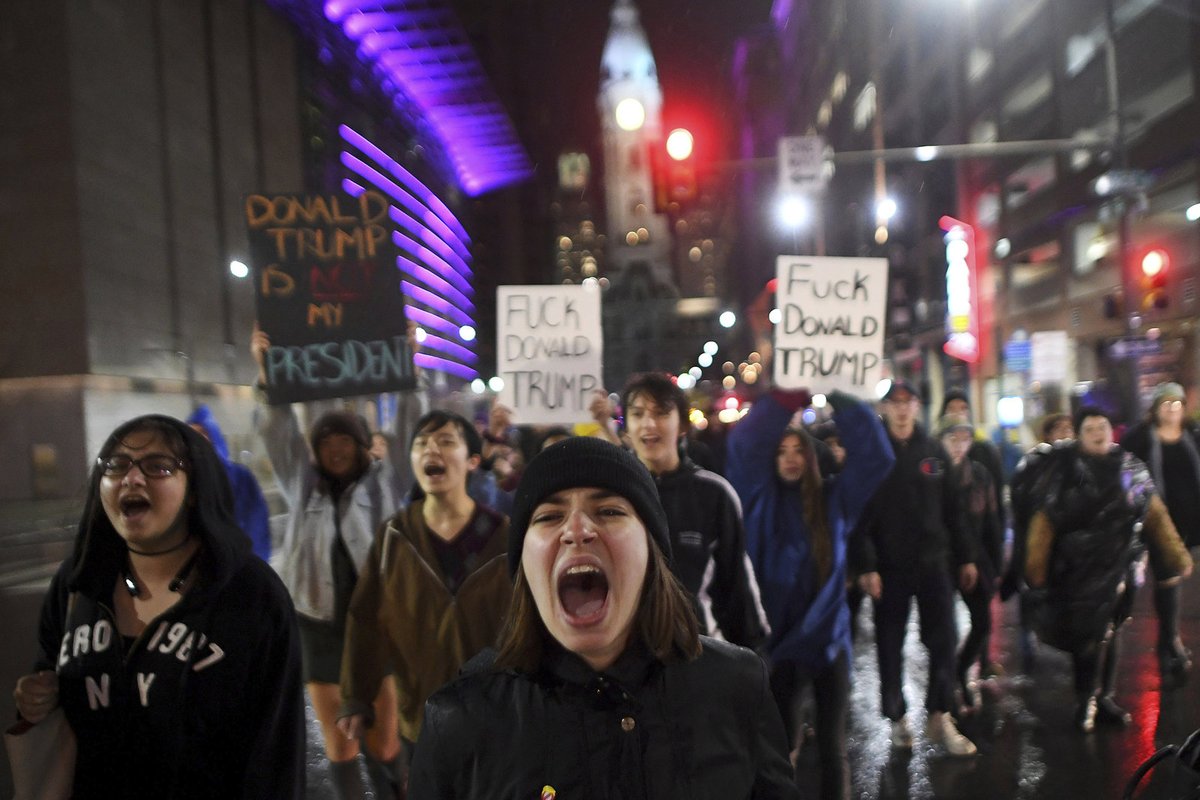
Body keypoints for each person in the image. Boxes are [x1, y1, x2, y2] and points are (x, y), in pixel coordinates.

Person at [406, 437, 801, 799]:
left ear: (652, 554)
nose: (576, 530)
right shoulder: (460, 719)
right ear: (523, 563)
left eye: (609, 511)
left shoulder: (737, 687)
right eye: (548, 517)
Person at [13, 415, 304, 798]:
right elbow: (50, 667)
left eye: (157, 466)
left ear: (196, 488)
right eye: (116, 466)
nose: (131, 479)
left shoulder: (251, 595)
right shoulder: (79, 582)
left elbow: (277, 751)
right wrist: (36, 697)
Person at [252, 324, 425, 800]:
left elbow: (411, 425)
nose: (335, 447)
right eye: (326, 440)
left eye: (345, 438)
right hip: (319, 626)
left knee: (385, 740)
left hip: (379, 626)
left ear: (361, 443)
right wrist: (268, 375)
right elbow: (277, 429)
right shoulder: (302, 486)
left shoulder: (386, 482)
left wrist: (407, 362)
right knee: (340, 744)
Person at [726, 388, 893, 798]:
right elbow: (743, 443)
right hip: (776, 646)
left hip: (827, 644)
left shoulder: (835, 501)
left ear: (812, 457)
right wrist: (786, 398)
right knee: (780, 753)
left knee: (834, 751)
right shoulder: (756, 498)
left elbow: (877, 456)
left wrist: (840, 392)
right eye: (781, 449)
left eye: (798, 449)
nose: (789, 457)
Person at [338, 410, 511, 792]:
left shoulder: (504, 537)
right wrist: (356, 697)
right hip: (421, 716)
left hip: (497, 718)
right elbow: (365, 618)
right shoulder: (395, 536)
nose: (432, 450)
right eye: (421, 444)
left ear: (472, 460)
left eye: (446, 441)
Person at [1024, 406, 1193, 731]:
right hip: (1078, 571)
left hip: (1122, 570)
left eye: (1102, 426)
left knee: (1112, 631)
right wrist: (1037, 570)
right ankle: (1086, 698)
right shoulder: (1064, 472)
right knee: (1087, 636)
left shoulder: (1130, 467)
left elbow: (1155, 514)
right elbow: (1043, 522)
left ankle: (1104, 698)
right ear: (1080, 435)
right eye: (1090, 429)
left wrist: (1176, 557)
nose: (1098, 433)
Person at [852, 380, 978, 756]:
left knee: (943, 640)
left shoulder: (934, 451)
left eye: (909, 402)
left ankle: (940, 714)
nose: (903, 409)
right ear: (886, 408)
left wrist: (967, 556)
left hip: (933, 563)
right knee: (889, 643)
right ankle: (897, 716)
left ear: (919, 407)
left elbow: (955, 511)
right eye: (895, 403)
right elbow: (860, 517)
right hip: (889, 567)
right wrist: (867, 565)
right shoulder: (873, 455)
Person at [619, 372, 769, 648]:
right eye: (637, 414)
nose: (648, 424)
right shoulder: (610, 493)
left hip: (697, 656)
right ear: (626, 428)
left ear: (683, 425)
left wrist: (753, 657)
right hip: (623, 658)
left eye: (661, 412)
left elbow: (736, 585)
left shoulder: (714, 494)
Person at [1121, 381, 1200, 680]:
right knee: (1168, 579)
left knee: (1174, 578)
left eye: (1176, 404)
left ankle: (1168, 639)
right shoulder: (1139, 438)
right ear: (1155, 409)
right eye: (1166, 404)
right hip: (1154, 521)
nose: (1171, 409)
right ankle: (1169, 642)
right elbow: (1126, 476)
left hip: (1188, 520)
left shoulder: (1192, 435)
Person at [939, 413, 1004, 706]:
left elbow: (991, 521)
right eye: (952, 438)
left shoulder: (979, 475)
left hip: (976, 559)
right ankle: (945, 687)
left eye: (964, 438)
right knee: (944, 629)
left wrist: (996, 563)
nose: (959, 445)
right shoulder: (932, 473)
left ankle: (961, 670)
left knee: (982, 623)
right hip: (941, 560)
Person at [1001, 412, 1075, 673]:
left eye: (1069, 428)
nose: (1065, 433)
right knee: (1031, 588)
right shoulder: (1035, 462)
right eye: (1059, 429)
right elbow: (1020, 498)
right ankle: (1027, 642)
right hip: (1035, 537)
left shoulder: (1080, 461)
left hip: (1068, 543)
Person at [185, 404, 272, 562]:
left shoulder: (240, 477)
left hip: (240, 566)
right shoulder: (183, 482)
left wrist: (254, 567)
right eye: (191, 437)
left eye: (202, 434)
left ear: (214, 437)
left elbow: (256, 526)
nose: (197, 442)